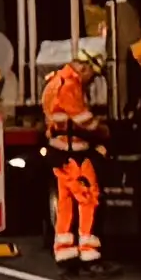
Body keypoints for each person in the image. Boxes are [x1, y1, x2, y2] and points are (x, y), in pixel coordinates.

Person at [42, 46, 106, 267]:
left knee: (66, 201)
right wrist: (104, 129)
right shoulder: (70, 85)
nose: (91, 80)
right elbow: (83, 118)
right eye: (92, 74)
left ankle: (65, 251)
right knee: (88, 196)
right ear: (85, 66)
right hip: (74, 151)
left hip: (59, 151)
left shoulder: (54, 81)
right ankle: (89, 253)